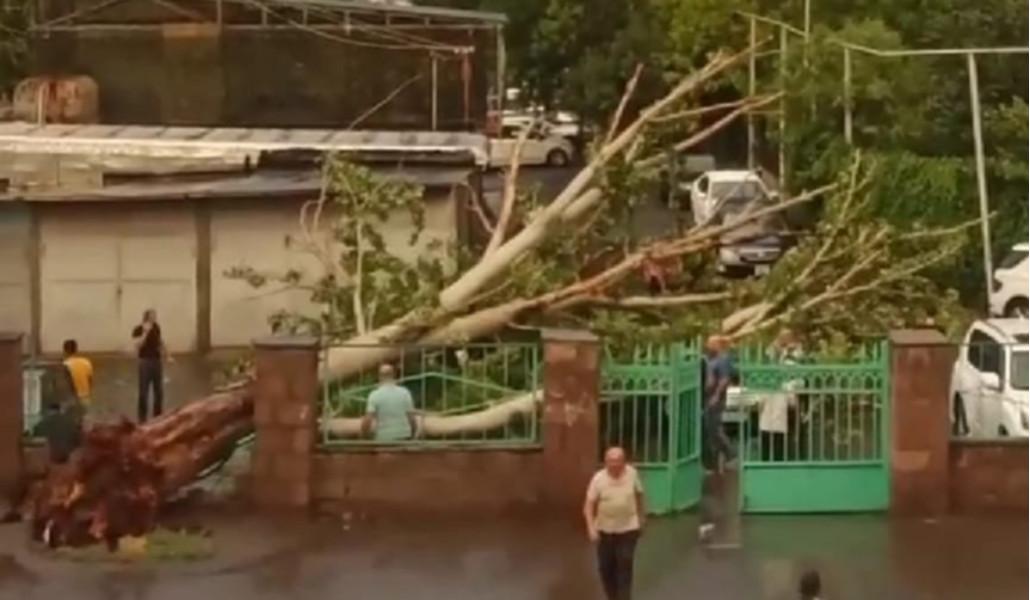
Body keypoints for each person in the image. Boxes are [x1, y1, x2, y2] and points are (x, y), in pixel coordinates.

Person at [2, 394, 83, 524]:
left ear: (48, 410)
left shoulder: (41, 424)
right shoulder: (70, 422)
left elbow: (34, 439)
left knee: (46, 487)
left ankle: (33, 513)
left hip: (49, 461)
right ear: (60, 409)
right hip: (65, 460)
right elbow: (78, 441)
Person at [583, 446, 646, 600]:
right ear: (606, 462)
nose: (615, 464)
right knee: (606, 569)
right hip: (605, 531)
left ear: (624, 462)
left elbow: (639, 495)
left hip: (628, 529)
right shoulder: (598, 479)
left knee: (624, 565)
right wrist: (591, 528)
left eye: (618, 461)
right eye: (611, 461)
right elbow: (588, 506)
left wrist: (641, 517)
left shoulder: (632, 474)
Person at [703, 335, 737, 473]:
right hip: (710, 396)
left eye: (710, 343)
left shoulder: (723, 359)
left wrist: (716, 395)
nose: (708, 346)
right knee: (711, 428)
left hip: (717, 397)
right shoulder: (713, 359)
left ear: (718, 345)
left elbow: (724, 379)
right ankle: (716, 460)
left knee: (715, 428)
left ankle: (731, 454)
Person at [361, 364, 417, 441]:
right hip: (404, 435)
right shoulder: (405, 393)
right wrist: (412, 434)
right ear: (393, 375)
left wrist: (365, 436)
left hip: (384, 437)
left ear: (380, 377)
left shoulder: (374, 395)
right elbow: (411, 418)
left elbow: (368, 419)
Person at [132, 308, 167, 423]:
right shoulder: (138, 329)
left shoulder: (156, 327)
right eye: (152, 315)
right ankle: (142, 418)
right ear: (147, 317)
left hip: (156, 361)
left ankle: (158, 416)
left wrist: (167, 354)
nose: (154, 317)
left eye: (155, 315)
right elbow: (138, 345)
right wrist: (145, 332)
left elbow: (159, 342)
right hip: (145, 362)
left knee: (159, 391)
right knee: (143, 391)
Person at [62, 338, 93, 411]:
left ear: (65, 350)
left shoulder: (65, 364)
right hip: (85, 396)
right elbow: (90, 380)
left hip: (71, 397)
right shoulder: (86, 362)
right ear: (76, 349)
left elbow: (66, 382)